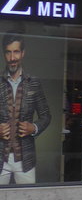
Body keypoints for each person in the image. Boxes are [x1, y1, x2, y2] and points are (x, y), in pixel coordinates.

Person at [0, 34, 51, 185]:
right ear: (4, 54)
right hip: (1, 159)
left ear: (23, 53)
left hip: (26, 160)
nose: (12, 57)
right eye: (8, 52)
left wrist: (33, 127)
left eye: (16, 52)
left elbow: (46, 116)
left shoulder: (33, 83)